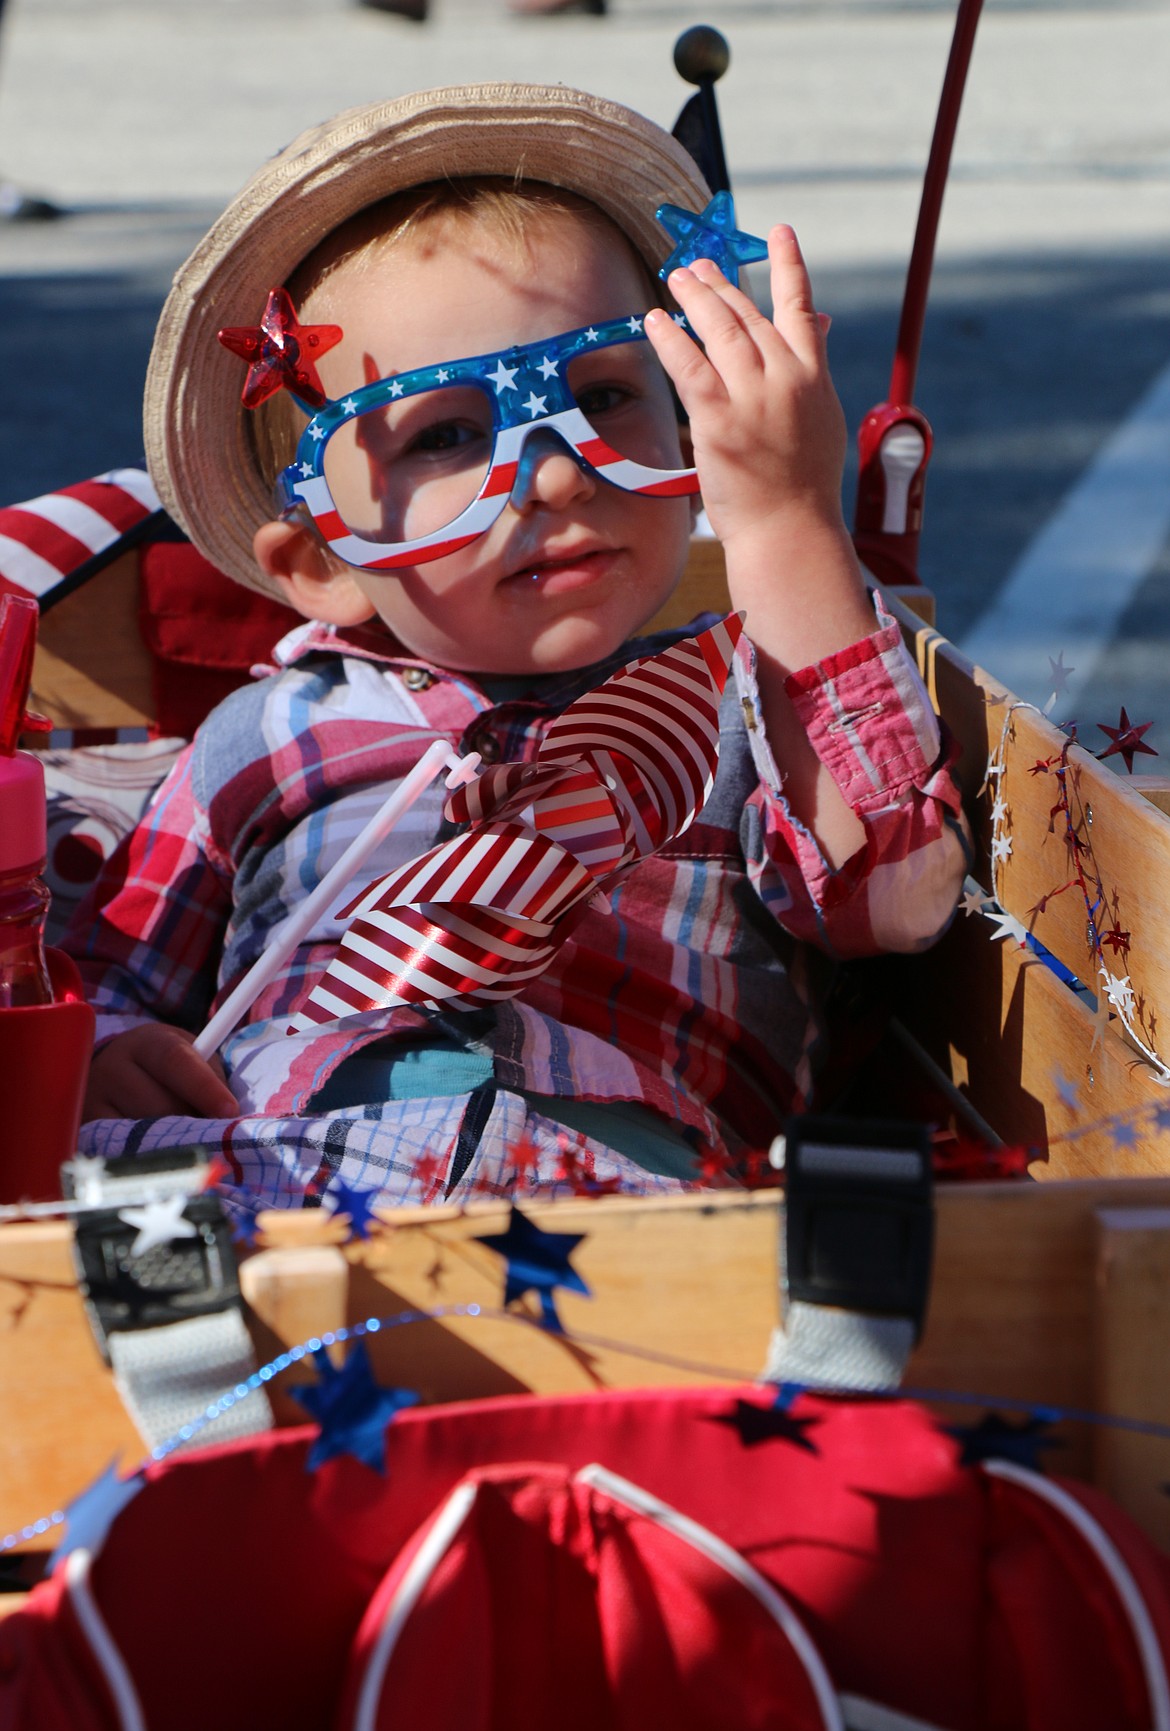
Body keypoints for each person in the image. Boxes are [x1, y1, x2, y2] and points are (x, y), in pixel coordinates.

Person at [67, 84, 968, 1210]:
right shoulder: (265, 735)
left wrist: (787, 521)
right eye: (448, 434)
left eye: (602, 397)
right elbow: (105, 974)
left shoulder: (745, 690)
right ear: (323, 567)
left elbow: (891, 897)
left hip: (634, 1208)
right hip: (277, 1181)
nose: (555, 473)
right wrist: (108, 1046)